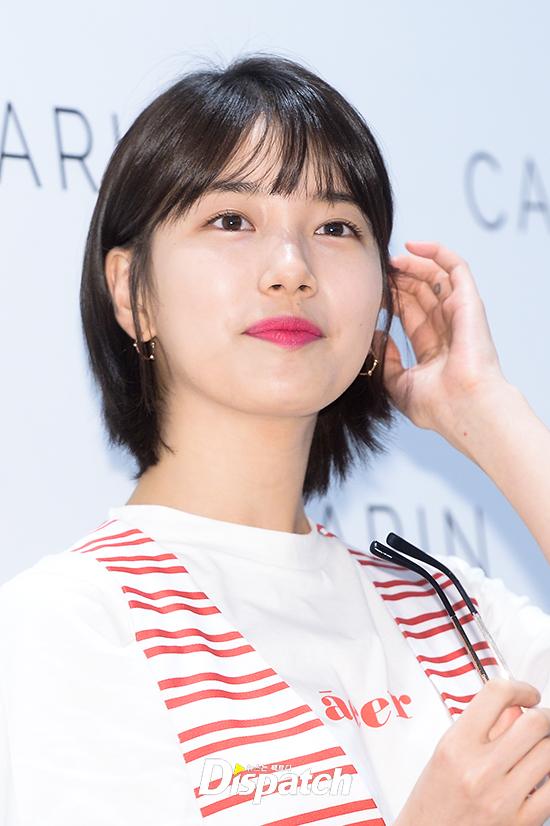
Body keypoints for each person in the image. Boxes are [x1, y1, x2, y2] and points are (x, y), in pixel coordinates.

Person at [1, 52, 550, 826]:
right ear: (131, 293)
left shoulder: (450, 609)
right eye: (231, 221)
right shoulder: (71, 625)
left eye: (334, 228)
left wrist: (487, 412)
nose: (292, 269)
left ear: (382, 298)